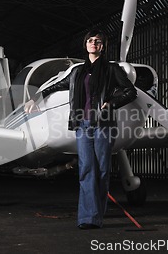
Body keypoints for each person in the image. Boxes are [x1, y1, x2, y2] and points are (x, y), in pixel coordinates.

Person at [24, 29, 137, 229]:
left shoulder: (112, 70)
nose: (94, 44)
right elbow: (53, 87)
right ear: (85, 45)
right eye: (91, 41)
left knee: (101, 172)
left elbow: (130, 92)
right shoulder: (77, 72)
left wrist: (111, 103)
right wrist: (35, 98)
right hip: (82, 126)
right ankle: (87, 218)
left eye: (98, 41)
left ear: (103, 46)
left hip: (104, 126)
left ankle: (97, 213)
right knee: (86, 170)